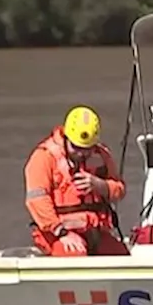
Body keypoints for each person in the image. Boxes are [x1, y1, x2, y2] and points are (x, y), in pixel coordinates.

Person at [24, 105, 130, 256]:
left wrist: (100, 185)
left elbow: (119, 190)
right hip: (55, 233)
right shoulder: (44, 157)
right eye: (76, 147)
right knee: (75, 255)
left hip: (94, 232)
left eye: (88, 148)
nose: (82, 153)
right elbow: (37, 200)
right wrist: (61, 232)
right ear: (66, 138)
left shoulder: (102, 155)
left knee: (120, 256)